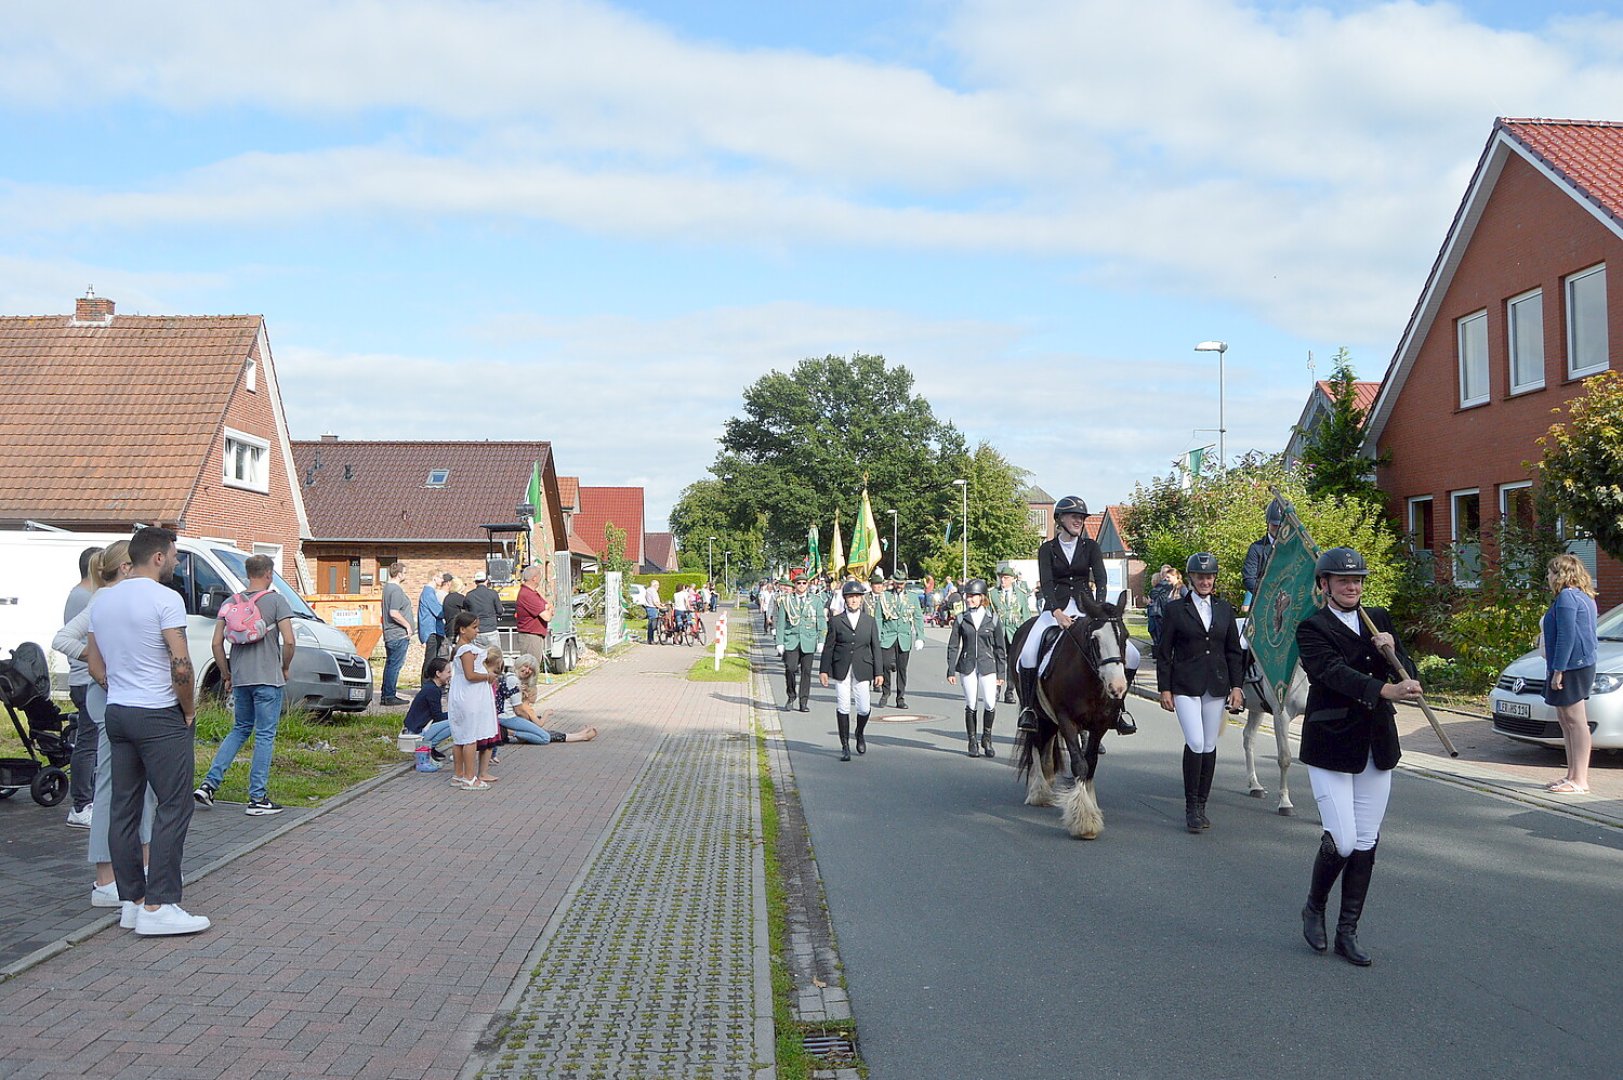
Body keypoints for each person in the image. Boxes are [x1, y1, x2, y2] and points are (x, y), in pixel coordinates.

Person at [1296, 546, 1422, 967]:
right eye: (1343, 580)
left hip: (1376, 743)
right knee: (1344, 839)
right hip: (1331, 741)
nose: (1353, 586)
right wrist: (1383, 690)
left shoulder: (1379, 619)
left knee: (1366, 841)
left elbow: (1408, 674)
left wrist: (1394, 652)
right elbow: (1330, 673)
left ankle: (1348, 930)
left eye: (1358, 580)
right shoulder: (1311, 627)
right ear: (1324, 584)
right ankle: (1315, 905)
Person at [84, 526, 209, 936]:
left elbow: (95, 665)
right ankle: (160, 905)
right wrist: (188, 710)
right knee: (174, 806)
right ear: (157, 557)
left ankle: (132, 903)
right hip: (159, 714)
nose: (175, 561)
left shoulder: (102, 600)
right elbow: (181, 664)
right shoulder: (165, 598)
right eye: (173, 555)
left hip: (118, 711)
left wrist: (118, 688)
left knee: (124, 808)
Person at [53, 542, 156, 909]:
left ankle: (140, 868)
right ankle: (104, 879)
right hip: (110, 699)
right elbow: (62, 638)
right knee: (112, 788)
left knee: (142, 790)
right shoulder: (104, 599)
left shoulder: (132, 598)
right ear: (127, 567)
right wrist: (98, 659)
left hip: (131, 700)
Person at [1016, 495, 1134, 735]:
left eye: (1081, 517)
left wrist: (1099, 608)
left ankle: (1119, 709)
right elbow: (1047, 584)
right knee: (1027, 654)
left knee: (1130, 654)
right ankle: (1028, 709)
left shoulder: (1090, 547)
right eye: (1074, 516)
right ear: (1059, 519)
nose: (1079, 520)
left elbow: (1100, 579)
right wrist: (1056, 612)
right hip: (1056, 609)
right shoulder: (1047, 549)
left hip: (1086, 608)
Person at [193, 554, 296, 816]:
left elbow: (217, 643)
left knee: (239, 729)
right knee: (264, 735)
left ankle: (209, 784)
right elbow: (290, 640)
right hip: (268, 678)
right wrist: (284, 666)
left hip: (240, 678)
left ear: (247, 574)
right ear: (269, 574)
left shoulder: (231, 602)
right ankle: (257, 798)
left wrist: (227, 674)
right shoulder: (276, 601)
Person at [1155, 553, 1245, 834]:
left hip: (1216, 685)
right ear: (1191, 578)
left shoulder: (1224, 609)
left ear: (1214, 578)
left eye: (1209, 576)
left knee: (1208, 744)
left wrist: (1237, 686)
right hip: (1184, 684)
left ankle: (1202, 805)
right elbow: (1164, 652)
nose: (1205, 581)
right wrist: (1164, 688)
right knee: (1194, 741)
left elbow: (1233, 651)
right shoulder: (1175, 610)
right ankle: (1190, 806)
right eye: (1200, 576)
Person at [1540, 553, 1600, 794]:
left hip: (1572, 666)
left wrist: (1558, 670)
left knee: (1575, 722)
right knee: (1567, 722)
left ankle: (1580, 780)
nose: (1548, 576)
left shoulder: (1566, 597)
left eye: (1551, 572)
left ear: (1561, 574)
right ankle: (1571, 775)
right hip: (1577, 664)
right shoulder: (1583, 596)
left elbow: (1567, 636)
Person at [819, 581, 883, 762]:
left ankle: (859, 732)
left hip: (862, 667)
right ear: (845, 599)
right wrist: (824, 670)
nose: (853, 600)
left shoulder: (869, 621)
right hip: (842, 668)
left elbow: (876, 647)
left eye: (856, 597)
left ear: (861, 599)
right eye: (850, 597)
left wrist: (879, 672)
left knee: (864, 707)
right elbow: (829, 648)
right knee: (843, 705)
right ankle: (845, 745)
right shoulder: (836, 621)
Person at [63, 545, 103, 828]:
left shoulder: (82, 594)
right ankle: (80, 804)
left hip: (83, 677)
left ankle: (86, 799)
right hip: (85, 678)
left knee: (91, 742)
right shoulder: (85, 597)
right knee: (87, 743)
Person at [947, 579, 1007, 758]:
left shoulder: (993, 620)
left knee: (990, 702)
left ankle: (987, 738)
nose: (969, 599)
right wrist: (951, 669)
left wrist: (1001, 672)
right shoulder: (961, 618)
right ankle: (972, 740)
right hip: (967, 665)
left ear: (982, 597)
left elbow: (1000, 648)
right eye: (968, 596)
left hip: (988, 665)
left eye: (973, 596)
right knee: (971, 703)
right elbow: (953, 645)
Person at [446, 611, 500, 789]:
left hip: (462, 694)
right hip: (469, 696)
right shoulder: (467, 650)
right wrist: (487, 675)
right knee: (469, 737)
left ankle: (458, 775)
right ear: (463, 629)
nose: (477, 631)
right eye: (474, 627)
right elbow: (470, 675)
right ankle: (470, 778)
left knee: (460, 737)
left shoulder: (459, 648)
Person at [500, 653, 598, 744]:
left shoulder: (508, 678)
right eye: (525, 666)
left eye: (530, 669)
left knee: (542, 733)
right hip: (509, 718)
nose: (527, 670)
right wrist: (534, 718)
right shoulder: (514, 681)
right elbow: (519, 711)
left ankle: (579, 735)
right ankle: (580, 736)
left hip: (507, 717)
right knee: (545, 736)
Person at [775, 573, 826, 713]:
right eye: (798, 583)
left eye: (804, 583)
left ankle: (804, 701)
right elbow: (780, 623)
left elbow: (821, 621)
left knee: (806, 672)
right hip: (791, 640)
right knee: (790, 668)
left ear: (807, 585)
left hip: (809, 640)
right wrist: (779, 642)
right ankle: (791, 696)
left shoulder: (815, 600)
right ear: (794, 585)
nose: (801, 586)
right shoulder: (786, 600)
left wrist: (821, 640)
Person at [877, 572, 924, 709]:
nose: (899, 585)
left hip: (904, 636)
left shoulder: (912, 597)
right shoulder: (884, 596)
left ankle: (900, 698)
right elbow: (878, 618)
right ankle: (885, 693)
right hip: (888, 636)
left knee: (902, 669)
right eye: (897, 583)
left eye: (901, 583)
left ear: (905, 583)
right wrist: (877, 637)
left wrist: (920, 637)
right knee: (885, 665)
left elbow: (918, 617)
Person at [990, 562, 1032, 703]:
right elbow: (989, 615)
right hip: (999, 631)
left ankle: (1009, 691)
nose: (1003, 580)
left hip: (1015, 633)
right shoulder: (993, 594)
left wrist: (1027, 635)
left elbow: (1025, 615)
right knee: (998, 660)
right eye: (1002, 577)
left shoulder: (1021, 594)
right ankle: (996, 689)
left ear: (1013, 579)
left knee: (1012, 662)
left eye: (1006, 578)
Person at [1242, 498, 1287, 610]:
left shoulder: (1294, 548)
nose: (1278, 529)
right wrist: (1270, 594)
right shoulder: (1256, 548)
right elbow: (1249, 578)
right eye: (1274, 525)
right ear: (1268, 523)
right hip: (1263, 603)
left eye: (1281, 526)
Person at [379, 562, 414, 705]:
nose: (405, 575)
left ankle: (386, 694)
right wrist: (408, 626)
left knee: (390, 664)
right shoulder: (396, 590)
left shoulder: (387, 588)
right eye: (404, 573)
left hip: (390, 634)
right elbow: (393, 612)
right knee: (395, 666)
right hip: (397, 634)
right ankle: (389, 696)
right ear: (399, 574)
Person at [404, 657, 453, 758]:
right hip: (417, 731)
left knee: (453, 719)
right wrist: (455, 714)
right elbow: (438, 717)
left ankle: (431, 747)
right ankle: (429, 747)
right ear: (438, 673)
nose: (450, 675)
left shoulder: (430, 687)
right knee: (456, 722)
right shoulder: (433, 690)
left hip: (414, 727)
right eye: (448, 672)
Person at [515, 564, 552, 665]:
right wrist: (548, 609)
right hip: (530, 636)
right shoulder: (528, 595)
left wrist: (549, 608)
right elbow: (547, 616)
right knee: (530, 668)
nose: (541, 579)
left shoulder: (533, 594)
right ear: (534, 578)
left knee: (533, 668)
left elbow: (549, 606)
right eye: (540, 576)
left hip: (534, 636)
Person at [418, 571, 451, 679]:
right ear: (434, 578)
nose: (442, 581)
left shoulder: (430, 592)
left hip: (433, 630)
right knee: (430, 661)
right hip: (431, 630)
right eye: (440, 578)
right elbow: (438, 612)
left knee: (432, 660)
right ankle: (425, 687)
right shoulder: (428, 593)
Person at [464, 571, 503, 648]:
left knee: (478, 658)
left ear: (475, 582)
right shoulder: (493, 593)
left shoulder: (469, 595)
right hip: (491, 630)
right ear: (487, 581)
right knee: (495, 657)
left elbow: (467, 612)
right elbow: (500, 611)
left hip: (477, 631)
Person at [644, 579, 663, 644]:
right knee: (653, 625)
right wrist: (661, 607)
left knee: (650, 625)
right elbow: (655, 602)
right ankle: (651, 640)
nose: (658, 587)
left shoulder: (648, 590)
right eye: (658, 585)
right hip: (652, 608)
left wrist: (660, 604)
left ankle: (649, 639)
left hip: (649, 608)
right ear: (655, 585)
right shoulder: (653, 591)